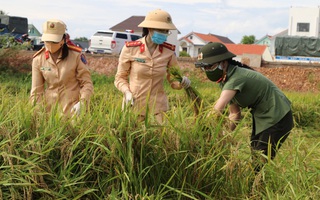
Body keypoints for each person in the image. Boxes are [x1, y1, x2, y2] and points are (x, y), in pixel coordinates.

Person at [195, 42, 294, 173]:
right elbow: (235, 114)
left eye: (210, 67)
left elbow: (217, 109)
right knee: (255, 153)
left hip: (277, 114)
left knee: (260, 160)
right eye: (204, 68)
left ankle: (256, 190)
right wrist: (225, 135)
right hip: (262, 115)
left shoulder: (236, 78)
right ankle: (255, 188)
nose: (207, 71)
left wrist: (199, 129)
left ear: (223, 63)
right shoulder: (226, 79)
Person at [114, 9, 191, 124]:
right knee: (133, 138)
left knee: (161, 138)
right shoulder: (131, 49)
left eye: (166, 31)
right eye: (161, 30)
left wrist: (182, 82)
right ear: (150, 29)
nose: (164, 34)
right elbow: (120, 78)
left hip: (159, 108)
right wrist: (127, 92)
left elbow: (174, 81)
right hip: (134, 103)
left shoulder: (168, 52)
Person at [30, 19, 93, 116]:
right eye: (47, 41)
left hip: (73, 111)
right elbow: (36, 92)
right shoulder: (38, 59)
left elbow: (87, 84)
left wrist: (83, 102)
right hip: (50, 113)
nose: (50, 44)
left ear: (63, 40)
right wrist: (35, 112)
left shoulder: (76, 56)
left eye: (54, 41)